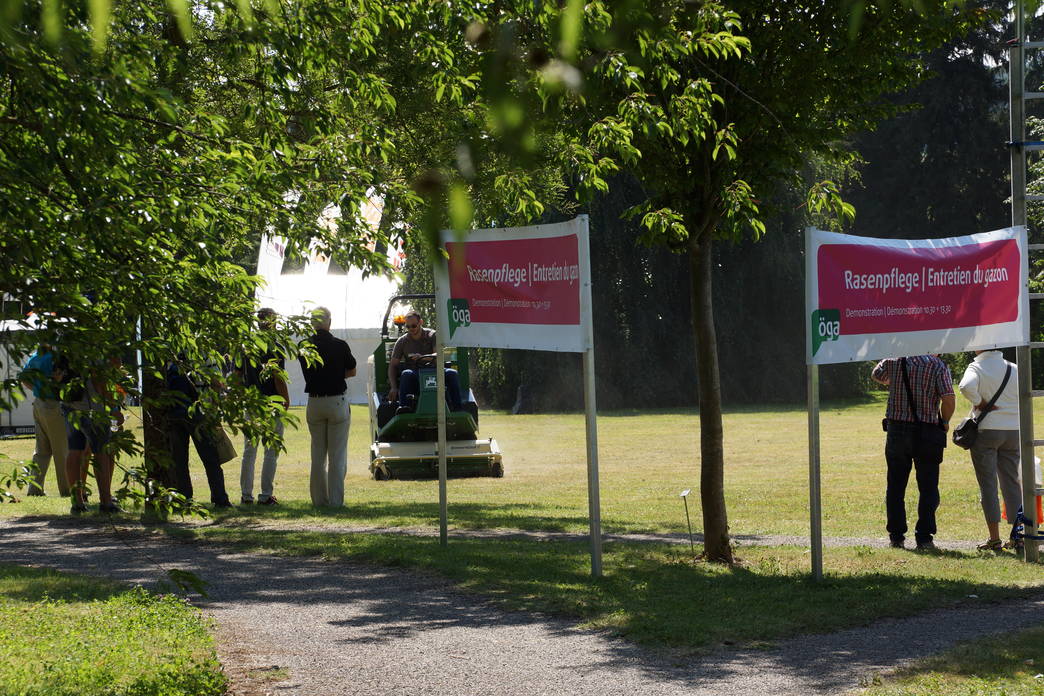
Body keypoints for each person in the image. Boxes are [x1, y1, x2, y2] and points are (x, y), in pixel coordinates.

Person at [871, 355, 955, 551]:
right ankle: (924, 538)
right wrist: (944, 421)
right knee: (928, 486)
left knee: (895, 485)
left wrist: (892, 380)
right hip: (927, 430)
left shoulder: (893, 361)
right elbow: (948, 399)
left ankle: (896, 536)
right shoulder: (936, 365)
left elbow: (876, 374)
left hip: (896, 430)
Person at [958, 349, 1021, 552]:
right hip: (1013, 431)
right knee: (1012, 483)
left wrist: (980, 403)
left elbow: (965, 386)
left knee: (988, 485)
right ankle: (1017, 536)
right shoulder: (1014, 368)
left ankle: (994, 538)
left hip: (987, 431)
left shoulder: (976, 367)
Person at [298, 307, 356, 507]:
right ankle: (336, 501)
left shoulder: (303, 346)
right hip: (336, 400)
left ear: (312, 323)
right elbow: (352, 370)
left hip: (314, 401)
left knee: (318, 454)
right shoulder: (340, 345)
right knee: (337, 455)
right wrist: (337, 373)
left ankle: (319, 500)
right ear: (329, 322)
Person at [55, 354, 123, 515]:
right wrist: (113, 409)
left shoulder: (67, 348)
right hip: (94, 409)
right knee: (102, 452)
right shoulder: (97, 350)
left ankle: (77, 502)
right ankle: (106, 502)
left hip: (69, 405)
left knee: (74, 451)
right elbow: (100, 383)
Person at [238, 308, 289, 506]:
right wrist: (285, 399)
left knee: (249, 451)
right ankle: (266, 494)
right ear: (274, 322)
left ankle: (246, 495)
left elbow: (236, 375)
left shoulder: (246, 347)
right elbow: (278, 378)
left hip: (251, 402)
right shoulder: (275, 347)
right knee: (270, 451)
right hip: (271, 402)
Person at [165, 359, 232, 508]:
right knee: (211, 458)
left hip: (175, 412)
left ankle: (184, 499)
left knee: (179, 460)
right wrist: (214, 410)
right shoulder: (206, 354)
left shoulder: (173, 352)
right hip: (199, 411)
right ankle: (220, 498)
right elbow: (215, 382)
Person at [18, 344, 70, 497]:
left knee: (41, 451)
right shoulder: (56, 358)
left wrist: (37, 389)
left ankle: (34, 489)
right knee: (62, 450)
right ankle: (67, 491)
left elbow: (23, 379)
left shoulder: (35, 356)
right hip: (53, 405)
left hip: (39, 403)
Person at [386, 311, 462, 413]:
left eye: (413, 325)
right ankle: (404, 407)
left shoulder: (432, 335)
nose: (411, 329)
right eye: (408, 327)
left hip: (436, 372)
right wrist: (393, 387)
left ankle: (457, 408)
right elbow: (393, 365)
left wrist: (422, 357)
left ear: (421, 322)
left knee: (452, 373)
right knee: (406, 374)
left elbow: (439, 354)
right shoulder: (402, 341)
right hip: (415, 374)